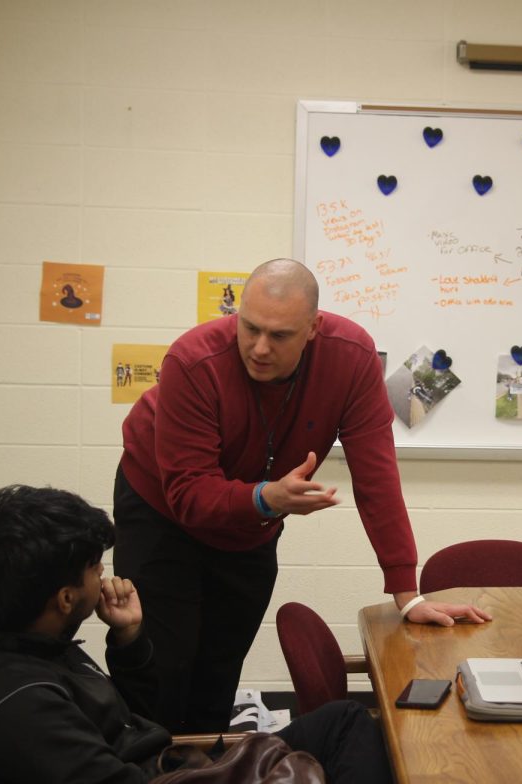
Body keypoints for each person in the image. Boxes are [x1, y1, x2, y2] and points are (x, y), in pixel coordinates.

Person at [114, 258, 491, 733]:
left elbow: (377, 476)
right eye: (248, 328)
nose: (259, 347)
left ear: (313, 327)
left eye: (280, 336)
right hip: (161, 507)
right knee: (163, 669)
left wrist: (406, 592)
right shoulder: (193, 361)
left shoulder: (350, 357)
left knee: (218, 668)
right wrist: (265, 499)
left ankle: (205, 766)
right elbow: (189, 494)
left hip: (253, 519)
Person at [0, 484, 392, 784]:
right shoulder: (17, 704)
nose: (103, 573)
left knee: (346, 720)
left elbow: (132, 723)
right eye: (94, 567)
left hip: (168, 763)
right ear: (66, 598)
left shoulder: (17, 636)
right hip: (162, 775)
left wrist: (128, 639)